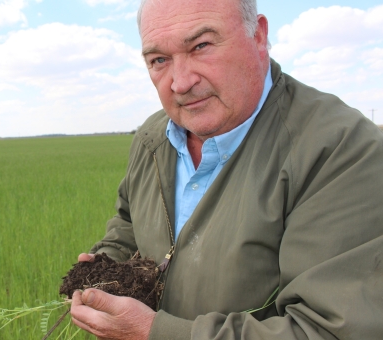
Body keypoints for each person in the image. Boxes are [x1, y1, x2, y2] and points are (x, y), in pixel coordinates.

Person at [69, 0, 383, 339]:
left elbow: (329, 330)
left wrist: (154, 333)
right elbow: (129, 223)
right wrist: (105, 264)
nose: (181, 82)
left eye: (201, 46)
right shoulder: (152, 138)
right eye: (159, 60)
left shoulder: (338, 149)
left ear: (259, 36)